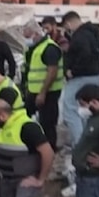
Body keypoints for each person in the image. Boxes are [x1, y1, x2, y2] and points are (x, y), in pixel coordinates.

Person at [61, 11, 99, 148]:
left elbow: (84, 54)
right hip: (94, 76)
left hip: (81, 77)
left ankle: (79, 145)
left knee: (69, 109)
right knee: (86, 111)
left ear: (68, 23)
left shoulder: (80, 36)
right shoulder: (93, 33)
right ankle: (88, 142)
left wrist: (73, 71)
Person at [22, 21, 64, 149]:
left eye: (28, 36)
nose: (27, 40)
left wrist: (43, 93)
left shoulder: (49, 48)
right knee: (24, 115)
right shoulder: (36, 48)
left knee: (47, 122)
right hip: (34, 91)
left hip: (48, 92)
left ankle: (50, 148)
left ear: (35, 34)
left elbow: (52, 71)